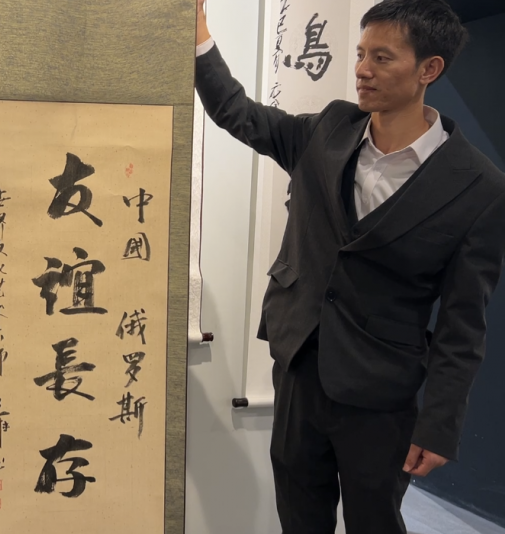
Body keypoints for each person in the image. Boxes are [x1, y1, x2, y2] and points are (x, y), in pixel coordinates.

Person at [195, 0, 505, 532]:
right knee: (299, 515)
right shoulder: (330, 129)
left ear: (429, 69)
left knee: (374, 520)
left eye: (382, 58)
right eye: (361, 54)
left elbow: (463, 322)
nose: (362, 69)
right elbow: (238, 113)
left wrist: (440, 423)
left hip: (382, 391)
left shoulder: (479, 188)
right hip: (299, 366)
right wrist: (200, 38)